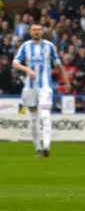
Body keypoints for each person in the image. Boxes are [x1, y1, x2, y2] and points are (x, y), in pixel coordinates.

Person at [12, 23, 71, 157]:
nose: (37, 32)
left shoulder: (49, 46)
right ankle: (38, 148)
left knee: (45, 116)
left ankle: (46, 147)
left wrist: (66, 81)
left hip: (45, 87)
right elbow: (15, 62)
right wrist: (27, 70)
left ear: (42, 32)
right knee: (33, 121)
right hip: (29, 88)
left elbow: (59, 64)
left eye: (39, 30)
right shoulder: (25, 46)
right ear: (30, 32)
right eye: (34, 30)